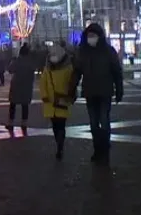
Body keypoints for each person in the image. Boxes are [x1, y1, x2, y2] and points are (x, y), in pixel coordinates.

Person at [71, 23, 123, 165]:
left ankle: (105, 148)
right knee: (94, 124)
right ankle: (97, 149)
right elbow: (77, 72)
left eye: (93, 36)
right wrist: (72, 88)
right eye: (89, 36)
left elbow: (116, 71)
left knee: (104, 121)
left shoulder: (108, 51)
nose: (91, 38)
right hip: (90, 92)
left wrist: (119, 89)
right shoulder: (83, 52)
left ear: (100, 37)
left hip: (105, 92)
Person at [41, 44, 74, 160]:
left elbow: (72, 83)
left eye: (55, 55)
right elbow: (43, 83)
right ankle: (58, 143)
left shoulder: (68, 68)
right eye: (51, 55)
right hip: (50, 102)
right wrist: (44, 95)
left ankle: (60, 146)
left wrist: (70, 95)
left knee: (61, 125)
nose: (53, 57)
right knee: (55, 126)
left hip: (62, 101)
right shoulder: (47, 68)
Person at [7, 43, 37, 136]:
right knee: (25, 105)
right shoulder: (31, 62)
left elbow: (10, 69)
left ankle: (10, 123)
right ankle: (24, 123)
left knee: (13, 105)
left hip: (16, 85)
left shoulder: (17, 61)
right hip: (27, 85)